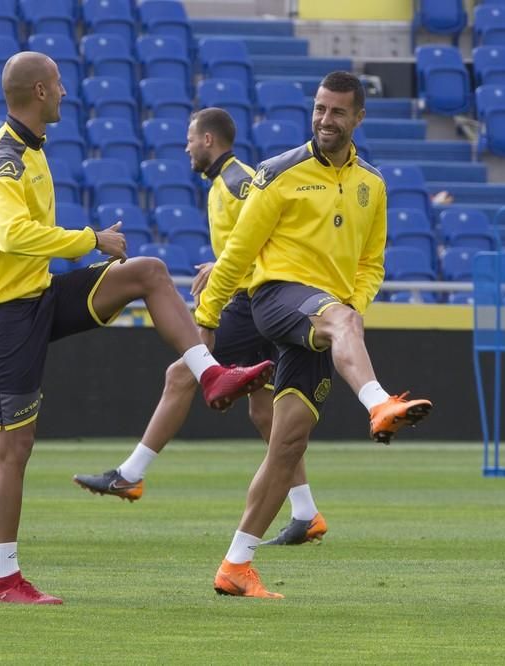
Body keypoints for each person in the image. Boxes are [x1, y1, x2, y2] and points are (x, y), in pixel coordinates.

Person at [0, 52, 274, 605]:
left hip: (36, 294)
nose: (65, 94)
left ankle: (210, 372)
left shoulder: (29, 149)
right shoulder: (2, 158)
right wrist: (90, 240)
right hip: (1, 313)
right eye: (57, 85)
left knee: (146, 272)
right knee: (13, 452)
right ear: (38, 91)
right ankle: (7, 580)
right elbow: (11, 235)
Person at [197, 72, 432, 598]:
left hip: (325, 318)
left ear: (358, 118)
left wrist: (354, 303)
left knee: (288, 444)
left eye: (338, 112)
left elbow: (372, 263)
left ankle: (235, 566)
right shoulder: (278, 173)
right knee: (343, 320)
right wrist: (207, 320)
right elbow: (237, 252)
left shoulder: (373, 184)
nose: (326, 119)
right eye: (320, 109)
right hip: (277, 299)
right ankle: (377, 402)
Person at [72, 108, 327, 545]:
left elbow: (276, 224)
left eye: (190, 139)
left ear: (208, 140)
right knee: (265, 411)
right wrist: (222, 261)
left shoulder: (237, 181)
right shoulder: (222, 183)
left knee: (181, 374)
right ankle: (305, 513)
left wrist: (226, 266)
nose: (187, 147)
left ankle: (130, 475)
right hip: (252, 299)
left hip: (252, 302)